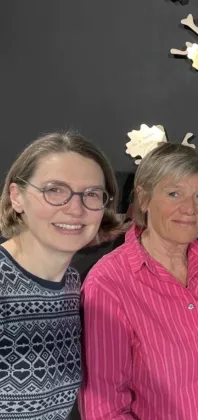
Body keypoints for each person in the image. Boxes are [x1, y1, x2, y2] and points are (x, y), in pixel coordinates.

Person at [79, 143, 198, 419]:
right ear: (144, 199)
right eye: (174, 193)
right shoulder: (109, 283)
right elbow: (106, 409)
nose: (190, 209)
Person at [0, 132, 121, 419]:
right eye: (55, 190)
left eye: (91, 194)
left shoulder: (69, 285)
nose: (75, 208)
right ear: (17, 197)